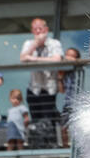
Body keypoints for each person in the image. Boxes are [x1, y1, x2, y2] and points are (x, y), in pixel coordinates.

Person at [20, 17, 64, 148]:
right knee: (36, 120)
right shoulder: (29, 43)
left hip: (49, 88)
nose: (38, 32)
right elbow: (22, 58)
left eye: (40, 28)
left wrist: (33, 58)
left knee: (48, 119)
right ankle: (37, 147)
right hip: (34, 88)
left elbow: (57, 59)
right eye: (35, 29)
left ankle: (51, 147)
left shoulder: (54, 43)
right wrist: (35, 45)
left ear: (46, 29)